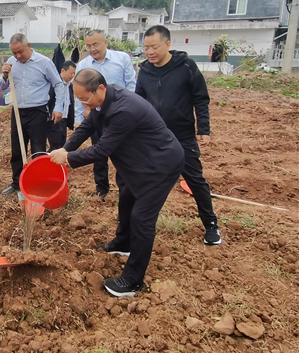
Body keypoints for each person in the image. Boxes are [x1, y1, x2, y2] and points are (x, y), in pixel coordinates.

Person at [50, 69, 184, 297]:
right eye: (79, 99)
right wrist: (65, 148)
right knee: (127, 201)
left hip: (160, 165)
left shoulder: (125, 109)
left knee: (142, 219)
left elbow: (103, 149)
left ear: (100, 89)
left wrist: (69, 159)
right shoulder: (101, 103)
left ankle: (132, 280)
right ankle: (123, 243)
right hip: (137, 163)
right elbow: (86, 128)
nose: (83, 103)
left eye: (85, 99)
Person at [136, 25, 221, 245]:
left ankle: (211, 225)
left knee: (195, 180)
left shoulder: (186, 67)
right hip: (154, 137)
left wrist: (203, 128)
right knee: (143, 178)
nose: (150, 52)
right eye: (146, 48)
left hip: (182, 136)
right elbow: (140, 103)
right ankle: (137, 219)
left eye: (154, 47)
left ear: (167, 44)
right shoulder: (144, 71)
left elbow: (201, 98)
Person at [0, 33, 66, 195]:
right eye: (14, 53)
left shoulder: (44, 63)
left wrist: (58, 108)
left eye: (20, 51)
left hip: (38, 112)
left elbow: (59, 84)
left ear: (29, 46)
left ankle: (37, 183)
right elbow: (2, 87)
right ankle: (17, 183)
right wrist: (4, 75)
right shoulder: (11, 62)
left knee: (38, 150)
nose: (17, 56)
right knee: (17, 149)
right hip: (17, 111)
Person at [75, 30, 137, 200]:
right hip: (97, 115)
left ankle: (126, 188)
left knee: (123, 153)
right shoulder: (83, 65)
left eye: (95, 44)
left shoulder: (122, 59)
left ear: (105, 42)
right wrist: (78, 119)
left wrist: (129, 109)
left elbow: (131, 85)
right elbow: (79, 95)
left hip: (122, 115)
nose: (92, 48)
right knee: (99, 152)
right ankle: (102, 188)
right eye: (88, 45)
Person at [47, 61, 76, 151]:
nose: (72, 76)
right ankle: (51, 163)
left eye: (74, 73)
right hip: (54, 119)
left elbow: (70, 103)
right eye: (71, 73)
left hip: (64, 119)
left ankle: (59, 164)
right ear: (63, 70)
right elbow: (49, 101)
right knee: (56, 145)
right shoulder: (53, 85)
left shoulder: (69, 86)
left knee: (63, 143)